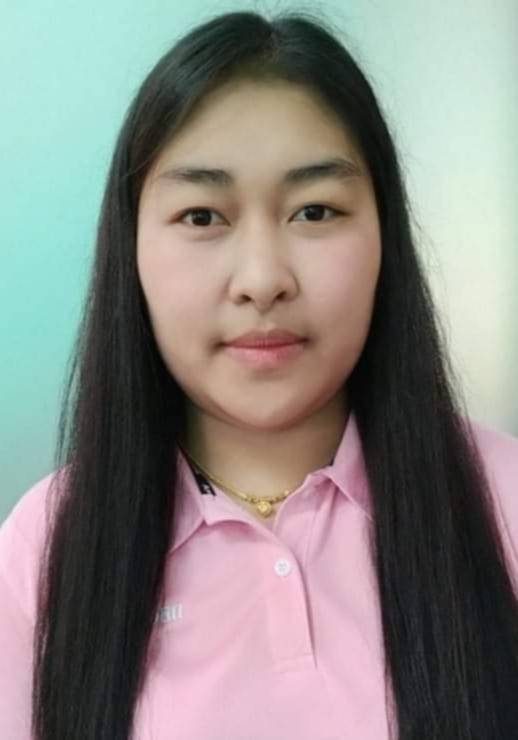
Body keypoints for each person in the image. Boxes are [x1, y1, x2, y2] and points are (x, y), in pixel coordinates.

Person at [1, 8, 517, 740]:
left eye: (315, 210)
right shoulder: (46, 547)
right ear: (131, 249)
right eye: (202, 216)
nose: (263, 279)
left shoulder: (503, 499)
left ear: (385, 238)